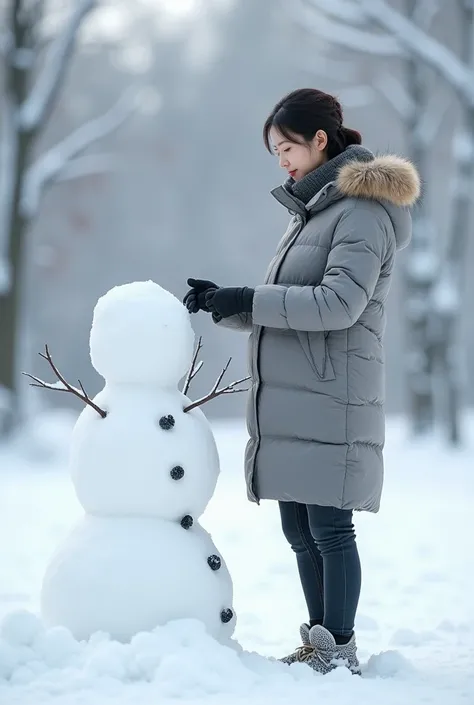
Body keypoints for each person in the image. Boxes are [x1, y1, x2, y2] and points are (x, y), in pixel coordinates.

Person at [183, 88, 420, 675]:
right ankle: (320, 643)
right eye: (273, 151)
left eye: (287, 146)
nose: (282, 160)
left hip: (333, 392)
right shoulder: (316, 212)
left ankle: (339, 646)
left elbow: (337, 303)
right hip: (302, 394)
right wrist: (226, 303)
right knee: (298, 526)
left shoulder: (362, 211)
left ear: (321, 140)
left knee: (328, 526)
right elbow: (289, 305)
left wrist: (250, 298)